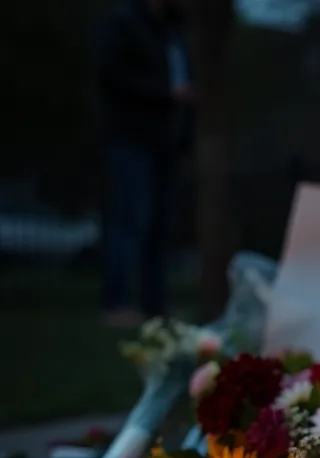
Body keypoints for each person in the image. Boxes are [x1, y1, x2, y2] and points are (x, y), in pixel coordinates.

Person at [98, 0, 193, 327]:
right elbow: (112, 75)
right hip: (131, 137)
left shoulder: (171, 27)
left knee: (159, 226)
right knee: (130, 220)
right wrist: (165, 93)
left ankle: (155, 304)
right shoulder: (125, 22)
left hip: (164, 142)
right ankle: (116, 303)